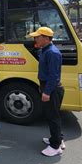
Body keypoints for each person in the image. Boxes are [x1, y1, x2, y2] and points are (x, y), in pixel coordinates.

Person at [27, 26, 65, 157]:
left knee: (53, 116)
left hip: (52, 88)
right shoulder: (45, 50)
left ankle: (55, 146)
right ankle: (57, 139)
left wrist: (47, 92)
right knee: (51, 115)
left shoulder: (52, 53)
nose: (35, 39)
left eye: (37, 37)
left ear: (45, 38)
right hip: (47, 86)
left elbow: (54, 76)